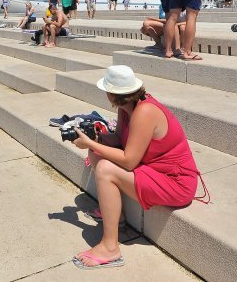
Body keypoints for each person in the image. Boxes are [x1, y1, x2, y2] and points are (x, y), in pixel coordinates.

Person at [70, 65, 204, 269]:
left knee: (105, 168)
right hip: (155, 170)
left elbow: (129, 160)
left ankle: (110, 248)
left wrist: (89, 143)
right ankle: (117, 216)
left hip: (176, 183)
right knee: (97, 152)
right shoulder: (129, 107)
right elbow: (119, 139)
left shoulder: (145, 111)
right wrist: (94, 138)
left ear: (112, 94)